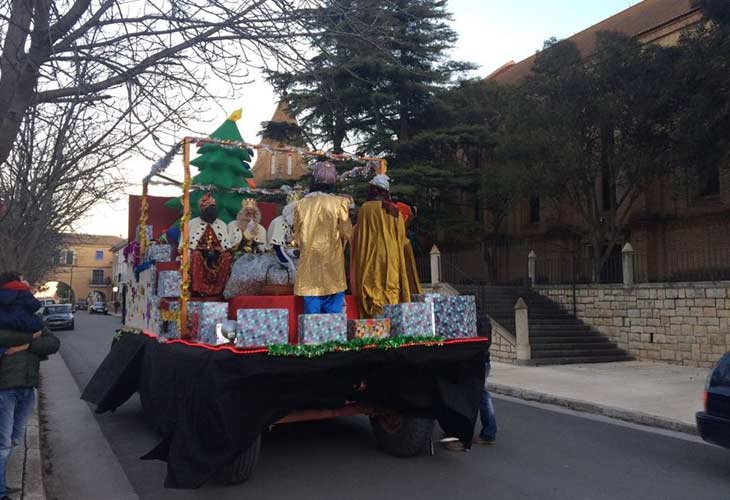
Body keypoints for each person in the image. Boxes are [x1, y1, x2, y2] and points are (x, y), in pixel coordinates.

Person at [0, 272, 60, 500]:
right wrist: (29, 340)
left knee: (13, 440)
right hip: (5, 387)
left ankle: (2, 483)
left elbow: (53, 343)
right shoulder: (27, 322)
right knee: (4, 443)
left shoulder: (32, 321)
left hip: (28, 386)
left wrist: (25, 345)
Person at [351, 175, 422, 318]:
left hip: (371, 256)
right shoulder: (395, 211)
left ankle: (376, 324)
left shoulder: (365, 209)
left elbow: (360, 235)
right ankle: (392, 321)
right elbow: (402, 237)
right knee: (391, 287)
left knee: (372, 286)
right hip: (392, 257)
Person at [293, 161, 352, 314]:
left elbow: (296, 237)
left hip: (309, 267)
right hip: (333, 265)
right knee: (333, 315)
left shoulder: (301, 204)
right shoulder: (340, 203)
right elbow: (347, 233)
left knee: (312, 318)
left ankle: (312, 337)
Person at [444, 317, 496, 451]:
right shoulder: (484, 319)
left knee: (475, 396)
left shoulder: (468, 317)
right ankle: (488, 432)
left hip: (474, 362)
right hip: (483, 360)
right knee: (482, 395)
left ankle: (479, 433)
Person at [185, 193, 233, 296]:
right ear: (203, 209)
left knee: (227, 257)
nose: (212, 210)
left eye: (214, 207)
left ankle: (219, 290)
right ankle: (199, 289)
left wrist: (217, 251)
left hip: (217, 255)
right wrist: (203, 251)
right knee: (196, 255)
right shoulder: (192, 224)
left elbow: (226, 246)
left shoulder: (222, 224)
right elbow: (185, 246)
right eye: (209, 208)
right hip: (200, 254)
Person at [0, 272, 45, 358]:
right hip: (25, 323)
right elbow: (36, 305)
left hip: (5, 324)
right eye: (22, 279)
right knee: (39, 325)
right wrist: (27, 289)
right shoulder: (22, 291)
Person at [267, 192, 300, 280]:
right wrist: (290, 266)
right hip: (280, 254)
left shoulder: (299, 224)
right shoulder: (278, 222)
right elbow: (277, 248)